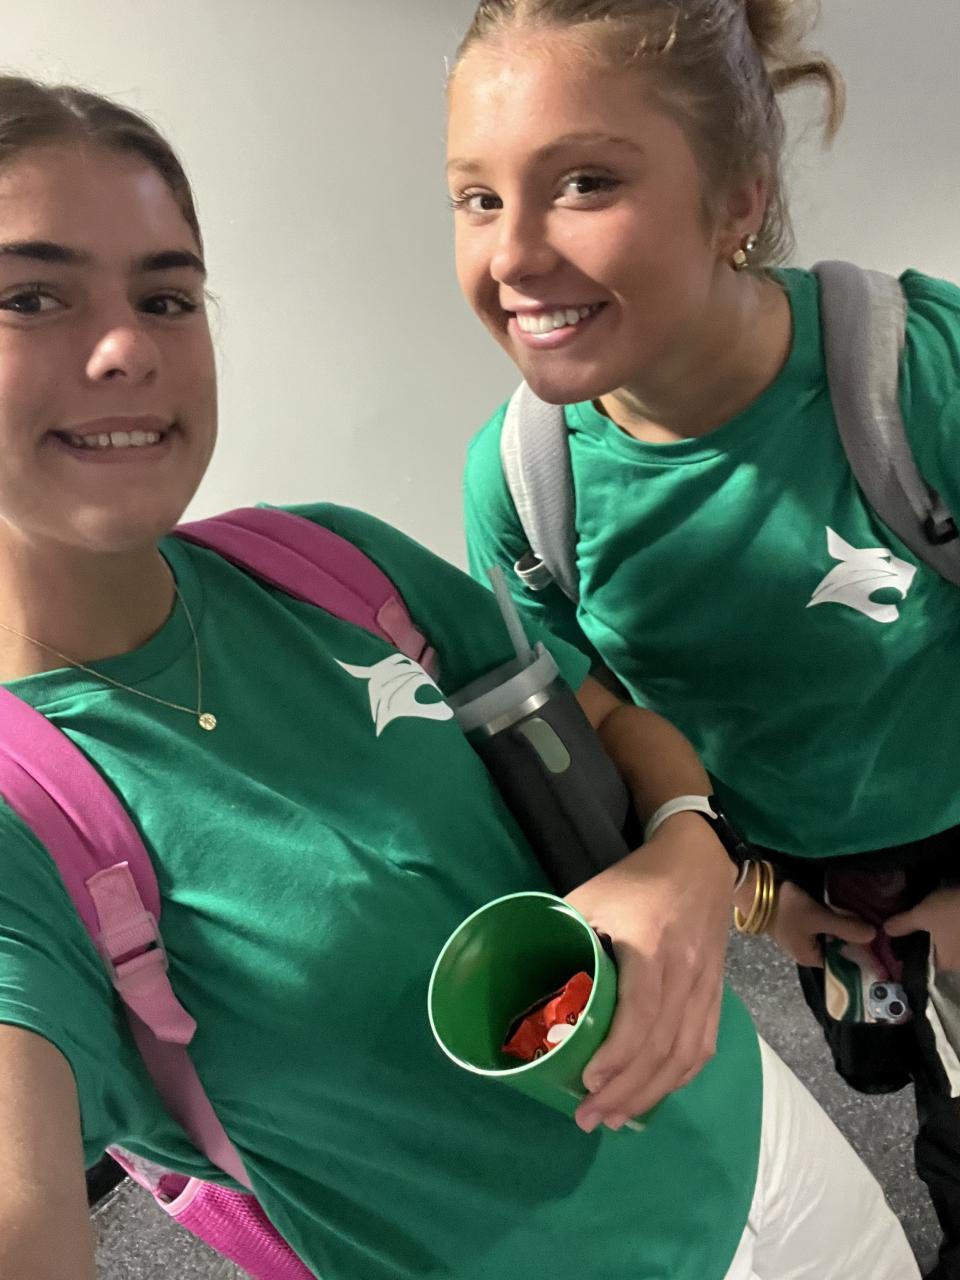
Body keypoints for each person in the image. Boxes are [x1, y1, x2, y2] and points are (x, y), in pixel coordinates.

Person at [0, 75, 916, 1280]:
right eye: (30, 297)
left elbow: (609, 721)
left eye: (166, 295)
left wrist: (690, 852)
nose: (126, 346)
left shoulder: (323, 560)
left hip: (760, 1134)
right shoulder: (21, 820)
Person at [451, 0, 960, 1276]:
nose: (514, 252)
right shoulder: (522, 483)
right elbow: (596, 714)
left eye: (584, 182)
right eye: (477, 197)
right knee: (890, 1062)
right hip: (796, 870)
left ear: (738, 197)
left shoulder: (916, 376)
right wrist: (761, 897)